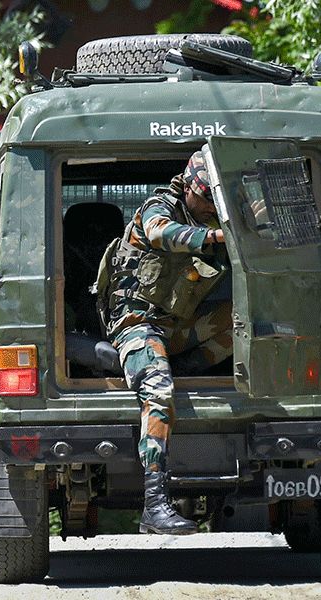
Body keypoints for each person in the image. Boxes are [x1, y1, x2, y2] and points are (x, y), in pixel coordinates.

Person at [97, 150, 232, 535]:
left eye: (214, 204)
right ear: (189, 187)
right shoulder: (157, 209)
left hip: (172, 326)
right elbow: (161, 233)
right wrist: (215, 236)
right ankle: (154, 505)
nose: (209, 209)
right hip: (135, 323)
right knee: (158, 393)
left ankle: (183, 368)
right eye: (206, 201)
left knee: (240, 322)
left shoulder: (203, 212)